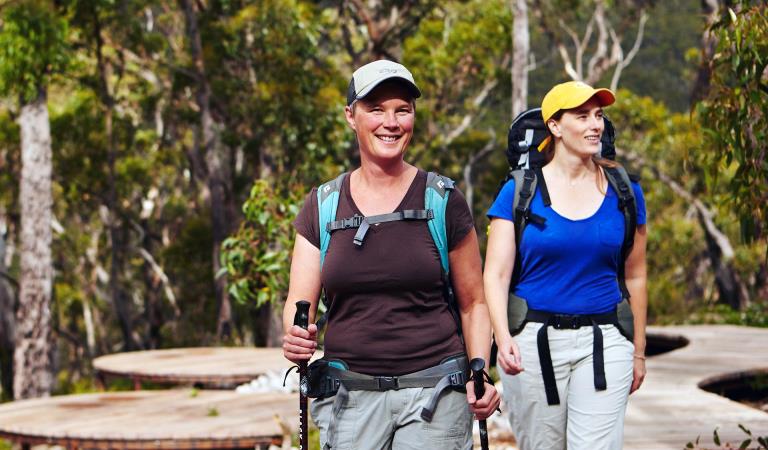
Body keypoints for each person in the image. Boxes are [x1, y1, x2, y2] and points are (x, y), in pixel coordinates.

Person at [282, 59, 500, 450]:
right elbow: (300, 303)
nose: (391, 121)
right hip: (349, 396)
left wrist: (479, 370)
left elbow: (474, 304)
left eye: (402, 109)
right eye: (376, 109)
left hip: (435, 392)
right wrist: (297, 337)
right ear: (351, 116)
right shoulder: (323, 206)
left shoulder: (443, 201)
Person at [483, 81, 648, 450]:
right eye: (582, 116)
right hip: (532, 342)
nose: (595, 125)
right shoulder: (519, 191)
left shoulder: (625, 191)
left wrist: (638, 350)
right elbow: (494, 275)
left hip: (606, 342)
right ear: (555, 127)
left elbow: (636, 274)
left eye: (599, 115)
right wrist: (501, 338)